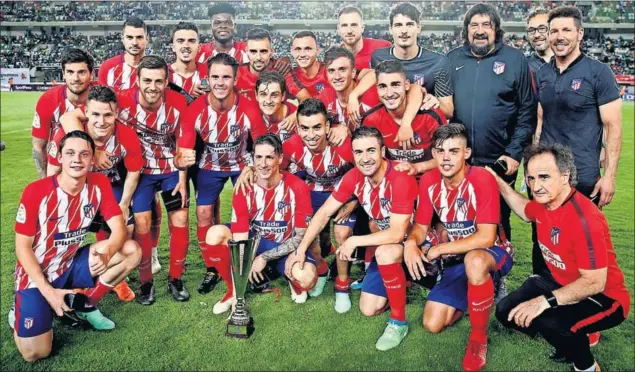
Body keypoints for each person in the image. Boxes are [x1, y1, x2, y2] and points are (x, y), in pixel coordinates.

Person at [492, 143, 630, 372]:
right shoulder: (545, 203)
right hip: (558, 280)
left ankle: (586, 365)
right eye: (531, 178)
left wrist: (544, 302)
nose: (536, 186)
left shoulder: (584, 219)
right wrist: (497, 182)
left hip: (604, 296)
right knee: (505, 311)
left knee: (552, 323)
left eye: (544, 177)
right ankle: (567, 339)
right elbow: (524, 209)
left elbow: (595, 282)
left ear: (565, 176)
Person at [11, 130, 141, 362]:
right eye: (70, 153)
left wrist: (108, 250)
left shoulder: (99, 183)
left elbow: (119, 228)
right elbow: (22, 248)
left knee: (131, 250)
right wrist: (48, 293)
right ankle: (23, 307)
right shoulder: (36, 192)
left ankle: (86, 303)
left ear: (92, 159)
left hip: (70, 264)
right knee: (35, 353)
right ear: (59, 157)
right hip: (36, 275)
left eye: (84, 154)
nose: (77, 160)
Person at [287, 126, 418, 351]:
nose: (364, 159)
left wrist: (354, 241)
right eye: (358, 153)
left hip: (415, 242)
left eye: (370, 151)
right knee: (368, 309)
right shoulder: (354, 177)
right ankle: (401, 279)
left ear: (382, 151)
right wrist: (301, 249)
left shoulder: (400, 177)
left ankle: (398, 322)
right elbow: (324, 213)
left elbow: (397, 232)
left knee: (384, 249)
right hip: (388, 243)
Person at [403, 123, 513, 371]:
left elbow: (486, 237)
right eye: (440, 151)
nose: (446, 157)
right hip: (455, 257)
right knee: (432, 324)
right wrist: (411, 242)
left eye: (454, 151)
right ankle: (481, 292)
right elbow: (420, 226)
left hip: (493, 252)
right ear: (433, 154)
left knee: (475, 261)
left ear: (467, 153)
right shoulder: (429, 180)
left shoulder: (482, 179)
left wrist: (440, 249)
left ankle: (478, 338)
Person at [236, 99, 356, 311]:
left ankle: (342, 285)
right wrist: (250, 169)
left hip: (343, 194)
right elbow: (271, 167)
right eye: (305, 128)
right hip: (313, 192)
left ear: (328, 127)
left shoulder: (343, 145)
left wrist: (353, 202)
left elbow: (365, 172)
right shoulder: (291, 145)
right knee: (311, 239)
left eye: (317, 127)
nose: (311, 134)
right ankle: (321, 268)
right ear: (298, 127)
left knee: (341, 231)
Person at [177, 53, 267, 300]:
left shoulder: (249, 108)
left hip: (242, 166)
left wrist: (254, 169)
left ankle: (253, 262)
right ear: (207, 78)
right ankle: (212, 268)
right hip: (209, 167)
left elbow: (262, 148)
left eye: (226, 77)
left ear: (235, 79)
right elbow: (184, 153)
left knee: (250, 212)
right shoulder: (194, 110)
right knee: (203, 214)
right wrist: (182, 183)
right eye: (215, 76)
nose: (220, 82)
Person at [447, 2, 536, 243]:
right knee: (458, 218)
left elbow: (527, 111)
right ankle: (460, 272)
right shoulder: (452, 59)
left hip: (499, 160)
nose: (480, 30)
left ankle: (498, 274)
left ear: (496, 29)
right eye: (474, 25)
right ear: (466, 30)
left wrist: (514, 153)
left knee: (497, 219)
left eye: (486, 24)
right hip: (460, 159)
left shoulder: (515, 60)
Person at [48, 85, 143, 302]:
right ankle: (67, 278)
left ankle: (115, 279)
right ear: (86, 113)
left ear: (116, 114)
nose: (101, 121)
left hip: (108, 186)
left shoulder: (126, 135)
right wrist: (55, 201)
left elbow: (134, 170)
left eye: (108, 115)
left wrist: (125, 202)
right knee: (65, 235)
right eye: (96, 115)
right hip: (75, 189)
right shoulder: (67, 135)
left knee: (125, 228)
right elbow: (52, 170)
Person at [204, 134, 319, 313]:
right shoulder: (244, 187)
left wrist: (263, 258)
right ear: (253, 158)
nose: (263, 164)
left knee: (307, 278)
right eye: (258, 157)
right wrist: (242, 281)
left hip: (285, 247)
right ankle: (233, 292)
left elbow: (300, 237)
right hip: (255, 242)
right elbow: (241, 239)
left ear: (280, 158)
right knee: (214, 234)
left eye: (269, 157)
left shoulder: (297, 187)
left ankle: (290, 278)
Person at [116, 55, 190, 305]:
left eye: (159, 81)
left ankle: (175, 278)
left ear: (167, 81)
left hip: (171, 169)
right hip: (141, 173)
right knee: (142, 224)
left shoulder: (178, 102)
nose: (152, 86)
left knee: (180, 219)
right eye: (147, 80)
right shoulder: (122, 101)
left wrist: (181, 176)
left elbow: (184, 139)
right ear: (137, 80)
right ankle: (146, 282)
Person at [535, 6, 622, 208]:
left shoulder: (599, 73)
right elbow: (540, 122)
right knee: (542, 239)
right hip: (547, 179)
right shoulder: (542, 74)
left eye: (567, 30)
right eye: (554, 31)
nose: (559, 37)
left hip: (583, 180)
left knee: (584, 238)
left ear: (580, 34)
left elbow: (613, 129)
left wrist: (609, 177)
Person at [352, 2, 454, 119]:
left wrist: (435, 102)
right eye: (398, 25)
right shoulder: (379, 57)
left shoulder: (439, 62)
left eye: (409, 24)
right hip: (389, 124)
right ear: (391, 29)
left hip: (423, 126)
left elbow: (449, 111)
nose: (404, 31)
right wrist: (353, 96)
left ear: (419, 28)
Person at [361, 60, 445, 172]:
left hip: (428, 180)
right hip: (392, 181)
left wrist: (416, 167)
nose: (389, 93)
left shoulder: (430, 116)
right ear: (377, 88)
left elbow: (447, 157)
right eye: (382, 86)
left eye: (395, 85)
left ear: (406, 85)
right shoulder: (370, 119)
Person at [32, 48, 94, 179]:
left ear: (91, 74)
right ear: (63, 74)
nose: (75, 78)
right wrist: (45, 183)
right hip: (62, 171)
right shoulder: (48, 100)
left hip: (99, 168)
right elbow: (38, 147)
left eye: (81, 72)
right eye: (70, 72)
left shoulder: (102, 97)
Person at [318, 47, 380, 141]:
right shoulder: (325, 96)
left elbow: (376, 73)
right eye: (331, 71)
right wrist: (336, 126)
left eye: (342, 69)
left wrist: (353, 95)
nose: (337, 76)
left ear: (353, 72)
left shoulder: (372, 93)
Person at [236, 28, 292, 102]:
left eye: (263, 51)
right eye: (253, 51)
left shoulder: (283, 70)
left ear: (271, 52)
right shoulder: (237, 74)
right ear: (246, 51)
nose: (258, 57)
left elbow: (304, 98)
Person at [336, 5, 390, 77]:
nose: (349, 31)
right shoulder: (333, 57)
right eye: (344, 25)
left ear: (362, 27)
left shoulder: (383, 47)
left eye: (354, 25)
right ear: (338, 29)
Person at [98, 17, 148, 92]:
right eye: (129, 37)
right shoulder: (107, 68)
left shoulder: (158, 69)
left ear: (147, 39)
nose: (134, 42)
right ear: (123, 39)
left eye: (139, 37)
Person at [168, 21, 208, 100]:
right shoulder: (162, 74)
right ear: (173, 47)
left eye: (191, 41)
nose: (186, 45)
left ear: (199, 47)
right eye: (180, 41)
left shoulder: (210, 73)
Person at [255, 71, 298, 143]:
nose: (268, 101)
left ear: (283, 96)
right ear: (256, 96)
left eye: (274, 95)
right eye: (263, 94)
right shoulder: (250, 115)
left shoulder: (298, 117)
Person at [285, 30, 328, 101]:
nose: (302, 54)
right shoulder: (290, 75)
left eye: (308, 49)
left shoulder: (329, 71)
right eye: (298, 49)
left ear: (318, 50)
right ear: (292, 52)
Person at [525, 8, 554, 74]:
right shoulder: (522, 66)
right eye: (531, 30)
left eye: (542, 28)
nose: (536, 35)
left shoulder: (570, 63)